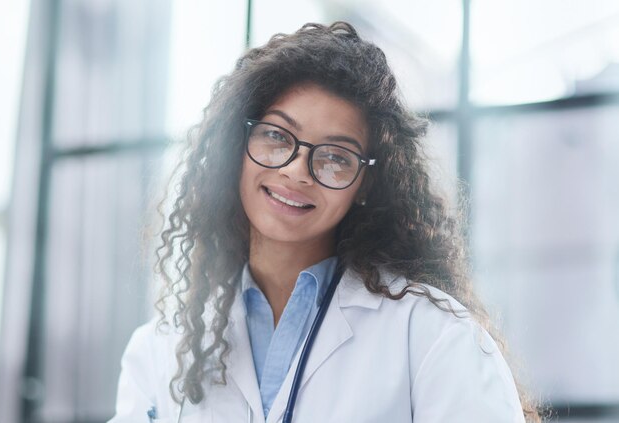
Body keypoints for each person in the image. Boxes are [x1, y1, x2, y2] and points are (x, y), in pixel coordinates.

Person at [109, 22, 540, 422]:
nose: (297, 170)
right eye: (277, 136)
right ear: (236, 146)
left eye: (335, 156)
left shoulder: (435, 337)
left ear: (365, 182)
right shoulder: (159, 351)